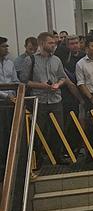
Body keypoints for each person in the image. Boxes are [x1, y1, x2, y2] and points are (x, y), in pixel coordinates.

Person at [20, 32, 67, 167]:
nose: (54, 45)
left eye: (54, 43)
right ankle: (38, 157)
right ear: (42, 44)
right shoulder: (31, 60)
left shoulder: (56, 60)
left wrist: (58, 84)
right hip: (39, 100)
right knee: (39, 129)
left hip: (55, 99)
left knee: (58, 128)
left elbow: (62, 77)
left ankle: (57, 155)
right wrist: (42, 86)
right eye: (50, 43)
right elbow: (23, 81)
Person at [0, 37, 19, 174]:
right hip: (2, 102)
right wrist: (7, 96)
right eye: (3, 46)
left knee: (10, 133)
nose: (7, 49)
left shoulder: (9, 63)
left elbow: (15, 81)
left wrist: (14, 95)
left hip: (12, 103)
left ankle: (10, 162)